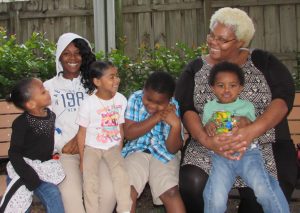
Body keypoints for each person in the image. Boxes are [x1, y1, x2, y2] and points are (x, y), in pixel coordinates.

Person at [175, 7, 297, 213]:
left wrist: (252, 130)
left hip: (262, 144)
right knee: (193, 182)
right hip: (210, 142)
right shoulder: (195, 68)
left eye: (222, 39)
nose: (213, 42)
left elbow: (283, 97)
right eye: (212, 35)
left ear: (240, 42)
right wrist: (207, 140)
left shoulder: (262, 62)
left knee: (262, 198)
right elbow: (186, 107)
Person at [202, 61, 289, 213]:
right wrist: (209, 125)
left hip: (247, 153)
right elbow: (206, 126)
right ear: (212, 88)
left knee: (264, 189)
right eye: (220, 85)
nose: (226, 90)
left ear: (241, 87)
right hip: (221, 156)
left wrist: (240, 120)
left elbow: (249, 123)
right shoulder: (209, 107)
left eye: (232, 85)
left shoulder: (246, 106)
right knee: (215, 196)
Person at [44, 33, 116, 213]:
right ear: (59, 56)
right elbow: (44, 124)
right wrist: (61, 146)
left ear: (84, 56)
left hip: (95, 150)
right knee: (70, 197)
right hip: (66, 154)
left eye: (77, 53)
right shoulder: (49, 87)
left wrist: (81, 139)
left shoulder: (95, 85)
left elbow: (107, 118)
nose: (72, 58)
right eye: (66, 53)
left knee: (108, 192)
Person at [122, 71, 186, 213]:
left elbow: (173, 149)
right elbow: (129, 133)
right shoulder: (135, 99)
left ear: (170, 99)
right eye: (148, 99)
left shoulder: (174, 107)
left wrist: (175, 125)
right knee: (126, 191)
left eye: (159, 103)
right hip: (136, 151)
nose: (151, 105)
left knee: (170, 192)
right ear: (144, 89)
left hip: (164, 154)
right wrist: (156, 117)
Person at [0, 78, 65, 213]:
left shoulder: (50, 115)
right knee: (19, 201)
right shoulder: (21, 123)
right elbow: (14, 153)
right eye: (43, 92)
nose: (47, 92)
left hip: (43, 169)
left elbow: (46, 142)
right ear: (31, 104)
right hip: (22, 168)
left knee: (53, 193)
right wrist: (28, 175)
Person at [76, 61, 131, 213]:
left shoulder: (121, 100)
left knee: (121, 174)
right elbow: (81, 133)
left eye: (117, 76)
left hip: (112, 147)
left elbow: (120, 127)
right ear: (97, 81)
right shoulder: (88, 103)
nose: (117, 80)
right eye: (111, 77)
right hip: (92, 148)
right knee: (90, 180)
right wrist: (82, 159)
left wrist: (118, 150)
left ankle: (125, 209)